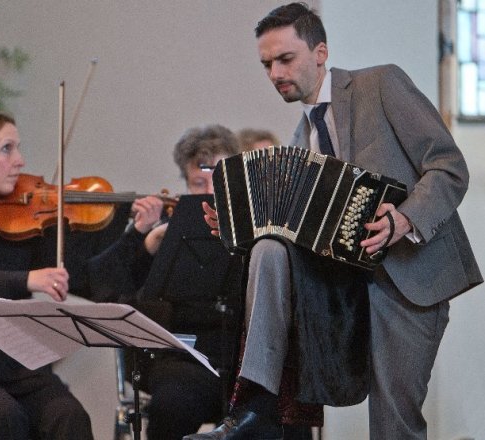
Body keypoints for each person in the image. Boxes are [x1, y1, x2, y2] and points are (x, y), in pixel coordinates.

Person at [185, 3, 482, 440]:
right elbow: (290, 231)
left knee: (392, 423)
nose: (274, 73)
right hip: (342, 291)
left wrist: (403, 219)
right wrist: (235, 227)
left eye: (285, 59)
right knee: (267, 249)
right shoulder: (301, 138)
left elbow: (449, 167)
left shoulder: (380, 84)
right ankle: (257, 405)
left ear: (320, 52)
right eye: (267, 64)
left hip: (408, 277)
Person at [0, 108, 164, 439]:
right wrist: (25, 279)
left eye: (18, 148)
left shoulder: (27, 220)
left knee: (69, 417)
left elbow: (90, 280)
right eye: (7, 149)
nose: (20, 160)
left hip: (13, 368)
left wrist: (138, 237)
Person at [134, 124, 243, 440]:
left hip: (241, 361)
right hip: (185, 359)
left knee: (284, 402)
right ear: (185, 184)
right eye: (199, 183)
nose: (210, 192)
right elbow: (120, 290)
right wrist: (146, 245)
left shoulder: (252, 227)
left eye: (218, 180)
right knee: (173, 402)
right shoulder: (168, 231)